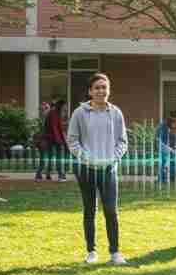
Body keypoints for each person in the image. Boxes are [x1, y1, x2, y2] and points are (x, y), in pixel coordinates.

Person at [67, 72, 129, 265]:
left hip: (109, 168)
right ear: (90, 92)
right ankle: (92, 251)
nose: (101, 91)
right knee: (90, 209)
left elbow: (122, 141)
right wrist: (87, 158)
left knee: (111, 209)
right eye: (97, 88)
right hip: (86, 169)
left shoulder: (116, 113)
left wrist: (113, 158)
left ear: (108, 90)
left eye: (104, 87)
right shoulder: (80, 113)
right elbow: (72, 140)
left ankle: (115, 252)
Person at [42, 98, 68, 182]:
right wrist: (61, 141)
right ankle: (61, 175)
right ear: (60, 106)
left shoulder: (54, 113)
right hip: (55, 139)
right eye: (64, 107)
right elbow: (55, 128)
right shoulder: (54, 113)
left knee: (50, 157)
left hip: (51, 138)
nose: (65, 109)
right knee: (59, 157)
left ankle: (48, 174)